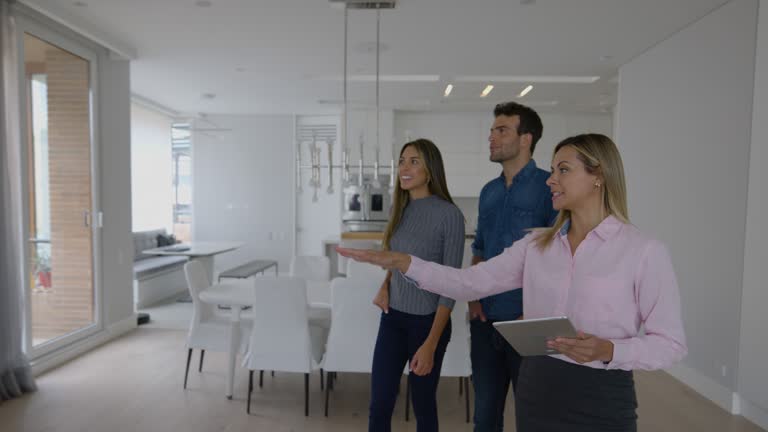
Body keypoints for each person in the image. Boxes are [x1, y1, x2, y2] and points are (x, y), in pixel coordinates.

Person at [339, 133, 688, 432]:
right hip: (537, 385)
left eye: (563, 170)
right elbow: (468, 283)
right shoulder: (536, 245)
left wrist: (611, 350)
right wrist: (405, 263)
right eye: (552, 171)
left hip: (602, 395)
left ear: (599, 176)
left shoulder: (643, 251)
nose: (551, 180)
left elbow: (671, 344)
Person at [469, 101, 557, 432]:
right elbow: (479, 248)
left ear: (526, 139)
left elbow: (557, 259)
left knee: (532, 416)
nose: (491, 137)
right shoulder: (488, 192)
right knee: (485, 416)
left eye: (501, 130)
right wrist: (473, 296)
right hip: (485, 320)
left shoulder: (550, 188)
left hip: (527, 322)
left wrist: (537, 310)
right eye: (492, 130)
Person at [368, 138, 465, 432]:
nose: (404, 168)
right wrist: (386, 284)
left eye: (414, 161)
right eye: (402, 161)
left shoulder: (450, 215)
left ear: (430, 169)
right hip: (393, 318)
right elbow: (396, 260)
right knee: (380, 403)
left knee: (422, 404)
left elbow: (451, 286)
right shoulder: (400, 209)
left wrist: (430, 344)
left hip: (427, 324)